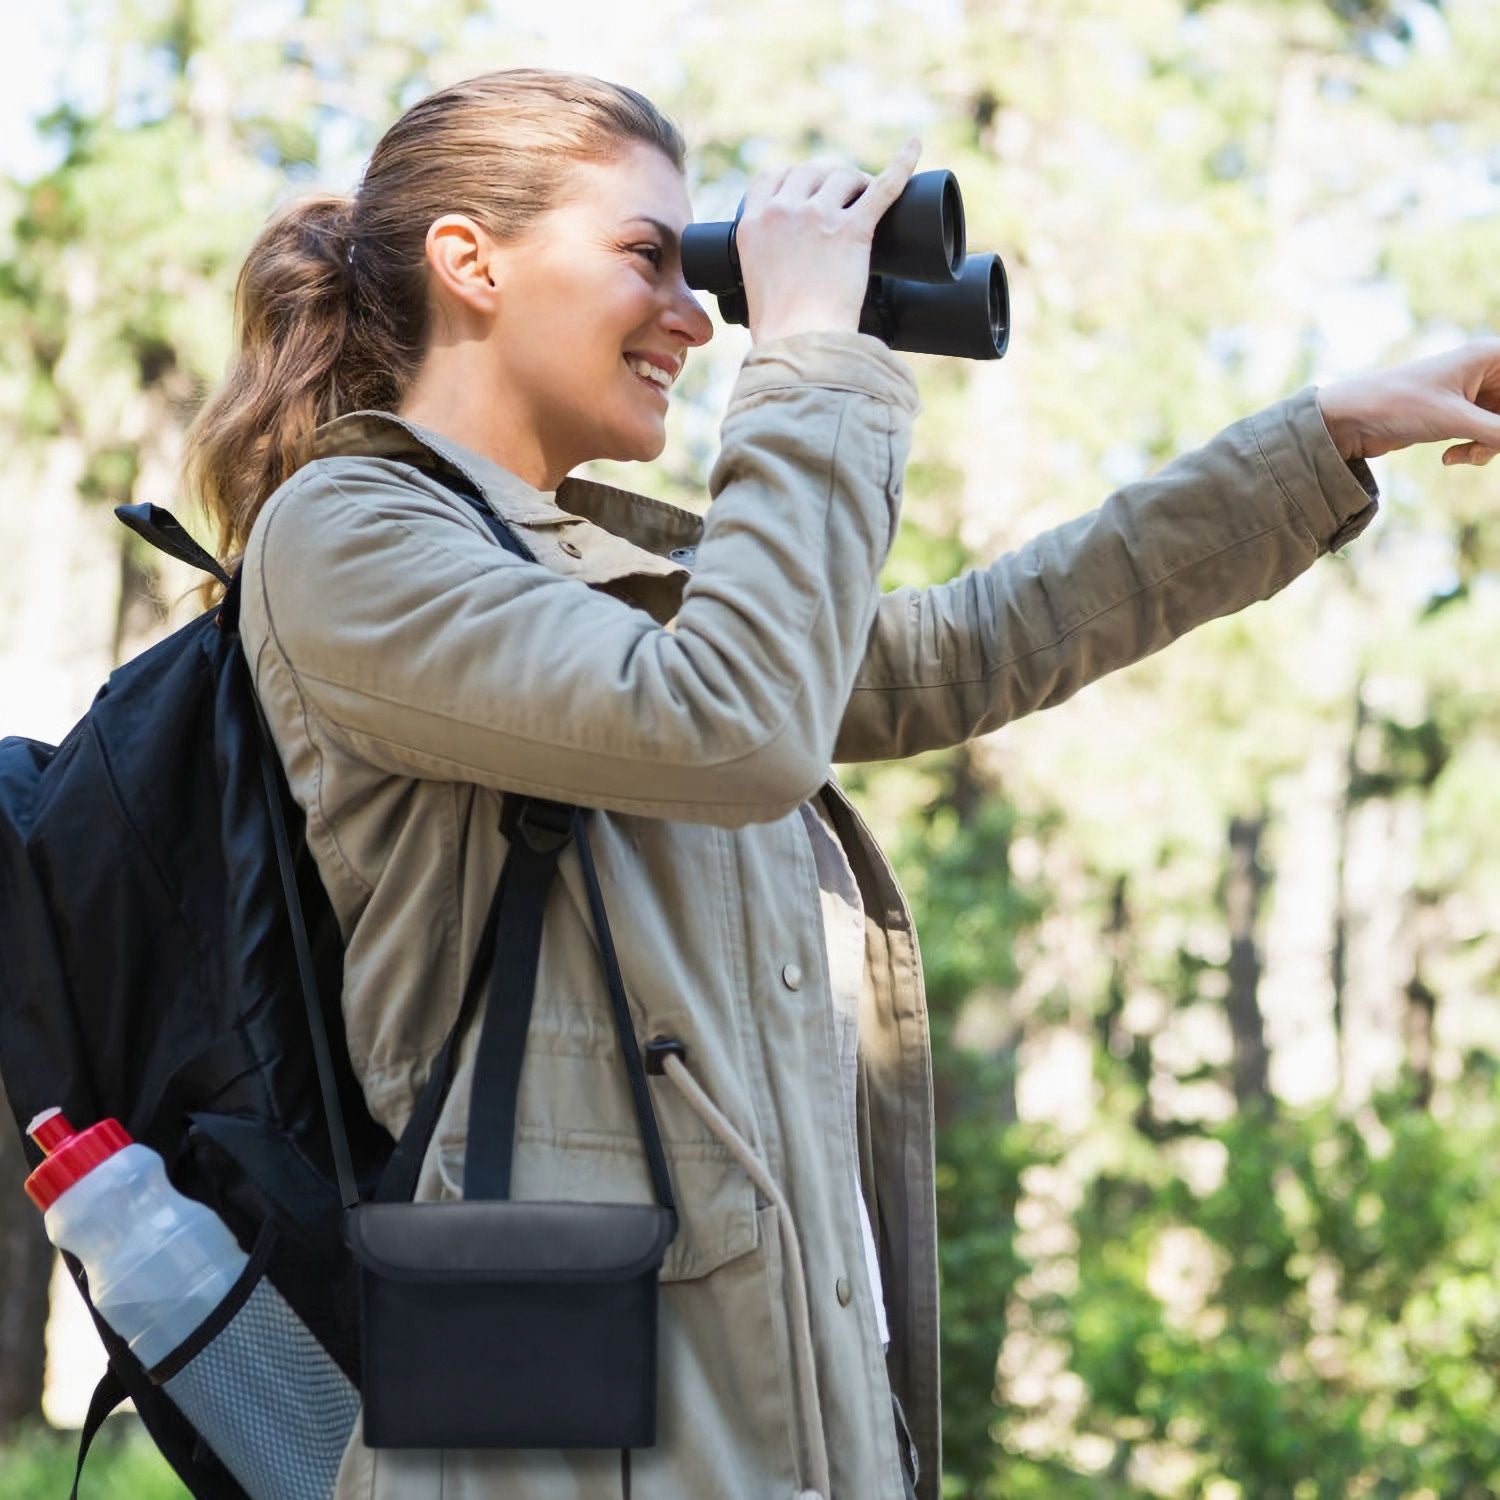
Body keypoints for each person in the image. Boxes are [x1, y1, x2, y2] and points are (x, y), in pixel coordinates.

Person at [181, 65, 1500, 1500]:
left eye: (709, 269)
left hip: (782, 1427)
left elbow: (963, 647)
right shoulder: (349, 533)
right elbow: (735, 727)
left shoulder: (591, 565)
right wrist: (805, 347)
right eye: (653, 256)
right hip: (577, 1449)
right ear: (470, 260)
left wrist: (1322, 439)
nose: (696, 312)